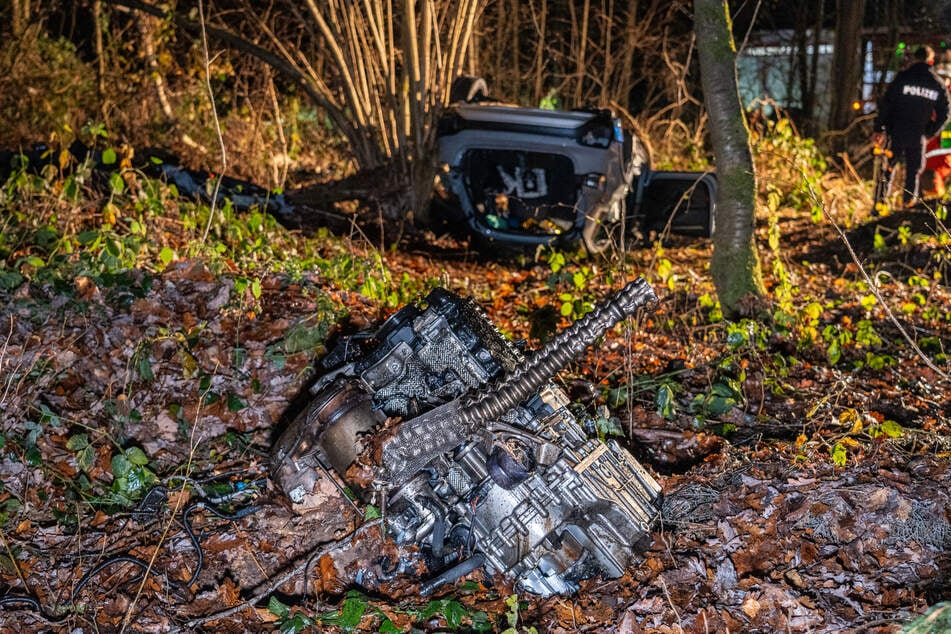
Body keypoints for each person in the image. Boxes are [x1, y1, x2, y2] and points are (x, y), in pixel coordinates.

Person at [872, 45, 951, 210]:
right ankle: (907, 207)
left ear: (915, 58)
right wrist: (929, 132)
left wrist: (879, 128)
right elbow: (945, 112)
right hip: (918, 135)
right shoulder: (936, 83)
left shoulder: (902, 78)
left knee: (888, 168)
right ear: (931, 60)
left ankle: (878, 206)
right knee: (913, 173)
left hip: (896, 133)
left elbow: (886, 105)